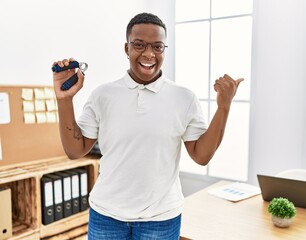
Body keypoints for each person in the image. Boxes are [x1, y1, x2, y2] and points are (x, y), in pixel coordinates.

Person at [52, 12, 243, 240]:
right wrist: (64, 101)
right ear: (127, 48)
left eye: (158, 47)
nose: (149, 54)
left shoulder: (184, 98)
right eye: (139, 45)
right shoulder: (103, 95)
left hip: (161, 219)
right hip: (106, 216)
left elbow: (201, 156)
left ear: (164, 50)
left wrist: (223, 108)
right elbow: (75, 151)